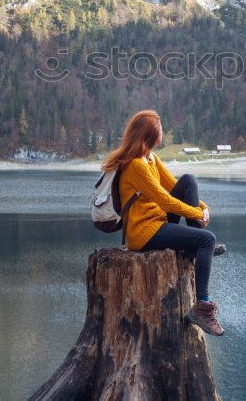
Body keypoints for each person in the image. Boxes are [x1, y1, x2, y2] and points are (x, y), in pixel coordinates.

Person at [101, 110, 227, 336]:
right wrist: (196, 213)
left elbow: (173, 186)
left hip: (157, 222)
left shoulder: (150, 158)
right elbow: (166, 201)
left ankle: (195, 247)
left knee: (188, 180)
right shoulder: (136, 165)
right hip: (143, 233)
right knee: (207, 240)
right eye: (159, 131)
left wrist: (203, 208)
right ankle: (202, 307)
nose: (161, 135)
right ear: (149, 135)